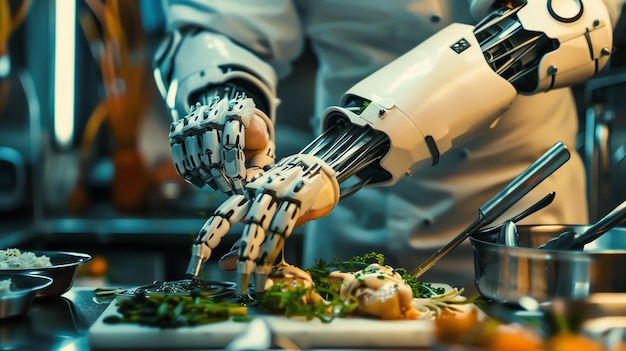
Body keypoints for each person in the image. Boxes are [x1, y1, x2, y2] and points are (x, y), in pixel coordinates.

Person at [155, 0, 624, 295]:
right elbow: (221, 24)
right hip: (346, 225)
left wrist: (335, 157)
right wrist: (224, 105)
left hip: (519, 236)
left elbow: (558, 22)